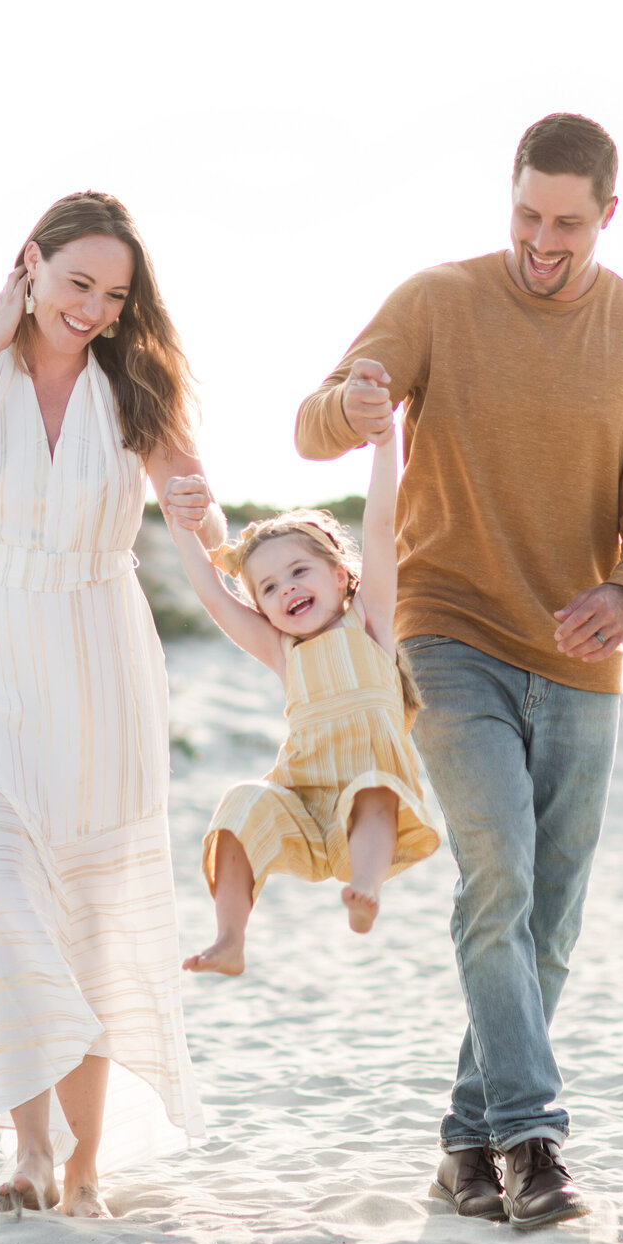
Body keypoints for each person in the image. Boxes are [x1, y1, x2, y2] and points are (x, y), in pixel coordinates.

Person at [295, 113, 623, 1230]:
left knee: (550, 918)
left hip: (580, 652)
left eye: (568, 222)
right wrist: (354, 406)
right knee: (499, 880)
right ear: (509, 198)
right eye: (527, 214)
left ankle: (466, 1146)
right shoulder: (439, 301)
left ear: (607, 215)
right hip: (448, 631)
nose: (542, 240)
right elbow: (317, 418)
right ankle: (532, 1142)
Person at [0, 190, 222, 1218]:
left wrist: (237, 551)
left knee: (84, 915)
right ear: (29, 263)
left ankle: (79, 1166)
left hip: (96, 664)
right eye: (76, 281)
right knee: (7, 892)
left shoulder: (137, 387)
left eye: (113, 295)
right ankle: (27, 1151)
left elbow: (198, 519)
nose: (91, 308)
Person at [164, 382, 439, 976]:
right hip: (302, 800)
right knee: (240, 804)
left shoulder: (371, 620)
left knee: (373, 785)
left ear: (342, 575)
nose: (285, 588)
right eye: (268, 587)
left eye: (298, 571)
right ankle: (229, 937)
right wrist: (177, 522)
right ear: (261, 606)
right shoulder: (281, 647)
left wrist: (385, 446)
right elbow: (214, 596)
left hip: (365, 811)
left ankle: (365, 891)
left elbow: (382, 521)